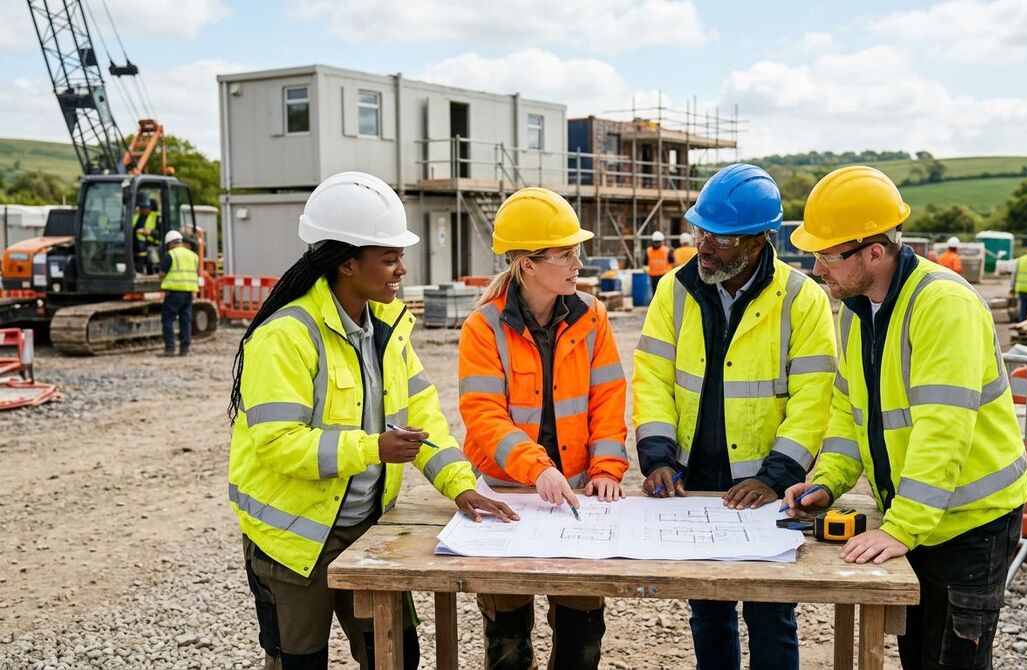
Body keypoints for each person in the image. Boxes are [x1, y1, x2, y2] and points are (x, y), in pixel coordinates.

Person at [227, 171, 518, 670]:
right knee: (300, 662)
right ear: (346, 262)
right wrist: (372, 449)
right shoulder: (285, 337)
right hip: (293, 542)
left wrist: (460, 485)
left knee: (398, 656)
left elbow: (425, 418)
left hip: (366, 530)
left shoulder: (387, 327)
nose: (401, 269)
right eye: (389, 258)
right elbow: (277, 444)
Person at [784, 165, 1027, 670]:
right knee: (918, 656)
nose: (817, 270)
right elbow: (850, 415)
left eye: (828, 255)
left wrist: (901, 528)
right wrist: (827, 483)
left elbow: (944, 429)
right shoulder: (859, 311)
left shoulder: (943, 304)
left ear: (875, 250)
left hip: (970, 525)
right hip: (918, 518)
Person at [634, 163, 836, 670]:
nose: (702, 247)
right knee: (708, 609)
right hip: (694, 477)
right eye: (701, 232)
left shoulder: (801, 298)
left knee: (771, 612)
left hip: (764, 485)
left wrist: (776, 477)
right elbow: (653, 376)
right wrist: (657, 456)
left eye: (720, 240)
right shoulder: (674, 289)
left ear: (759, 241)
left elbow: (815, 397)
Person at [459, 186, 628, 670]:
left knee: (581, 635)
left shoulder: (592, 316)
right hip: (505, 496)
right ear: (527, 264)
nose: (578, 262)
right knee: (508, 641)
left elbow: (609, 397)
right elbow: (484, 416)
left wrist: (608, 468)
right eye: (565, 253)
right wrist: (536, 468)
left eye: (577, 251)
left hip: (577, 492)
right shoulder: (483, 327)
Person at [158, 230, 198, 356]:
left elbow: (163, 274)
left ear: (170, 244)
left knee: (168, 320)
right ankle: (184, 349)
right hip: (188, 293)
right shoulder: (193, 256)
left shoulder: (170, 255)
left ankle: (170, 349)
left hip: (174, 293)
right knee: (185, 320)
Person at [133, 193, 160, 274]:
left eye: (144, 208)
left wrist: (150, 232)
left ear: (149, 208)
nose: (142, 210)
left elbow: (162, 233)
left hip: (151, 245)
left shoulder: (156, 217)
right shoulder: (136, 216)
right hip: (136, 248)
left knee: (151, 255)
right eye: (140, 207)